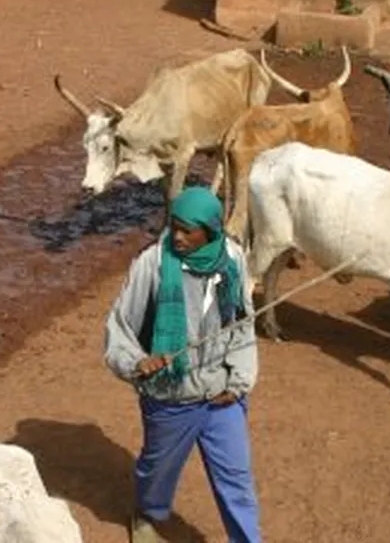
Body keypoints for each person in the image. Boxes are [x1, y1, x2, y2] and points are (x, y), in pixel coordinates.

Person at [103, 187, 262, 543]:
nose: (177, 236)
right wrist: (137, 363)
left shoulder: (232, 259)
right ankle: (146, 515)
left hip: (221, 394)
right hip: (170, 395)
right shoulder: (153, 264)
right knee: (157, 469)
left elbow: (242, 323)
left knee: (236, 479)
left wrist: (237, 381)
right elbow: (120, 327)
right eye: (173, 226)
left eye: (187, 230)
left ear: (211, 230)